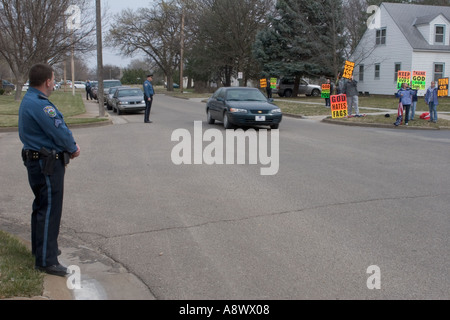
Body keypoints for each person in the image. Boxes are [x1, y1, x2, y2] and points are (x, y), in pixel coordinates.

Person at [18, 64, 81, 277]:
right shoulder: (41, 105)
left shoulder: (29, 100)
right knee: (50, 210)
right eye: (53, 79)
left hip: (37, 162)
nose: (54, 83)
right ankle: (47, 260)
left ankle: (43, 249)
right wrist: (73, 148)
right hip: (47, 165)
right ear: (47, 81)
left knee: (41, 207)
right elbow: (59, 130)